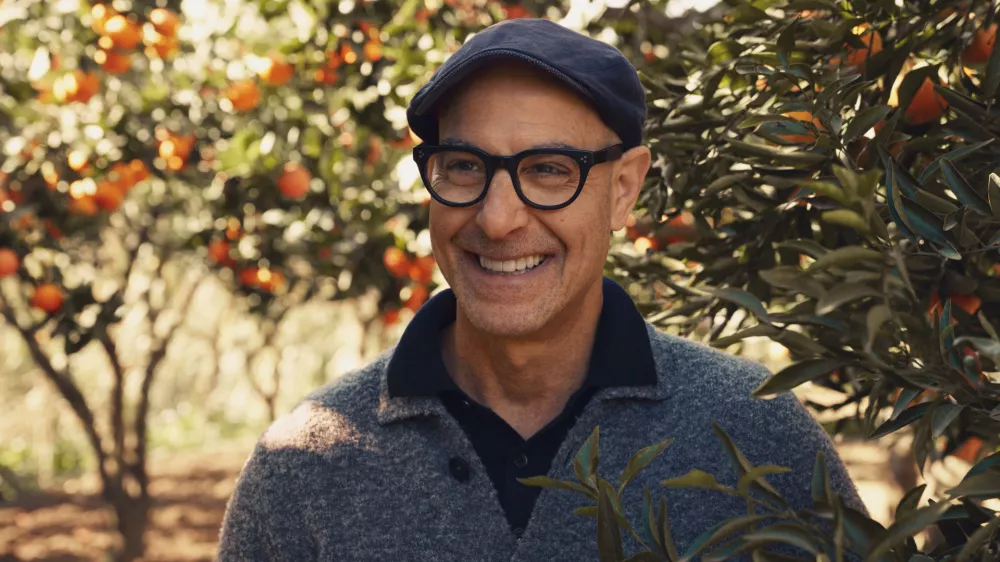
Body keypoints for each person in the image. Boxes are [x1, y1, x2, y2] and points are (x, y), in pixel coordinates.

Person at [217, 18, 865, 561]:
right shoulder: (306, 466)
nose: (498, 220)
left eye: (549, 170)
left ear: (622, 189)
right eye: (466, 166)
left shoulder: (755, 435)